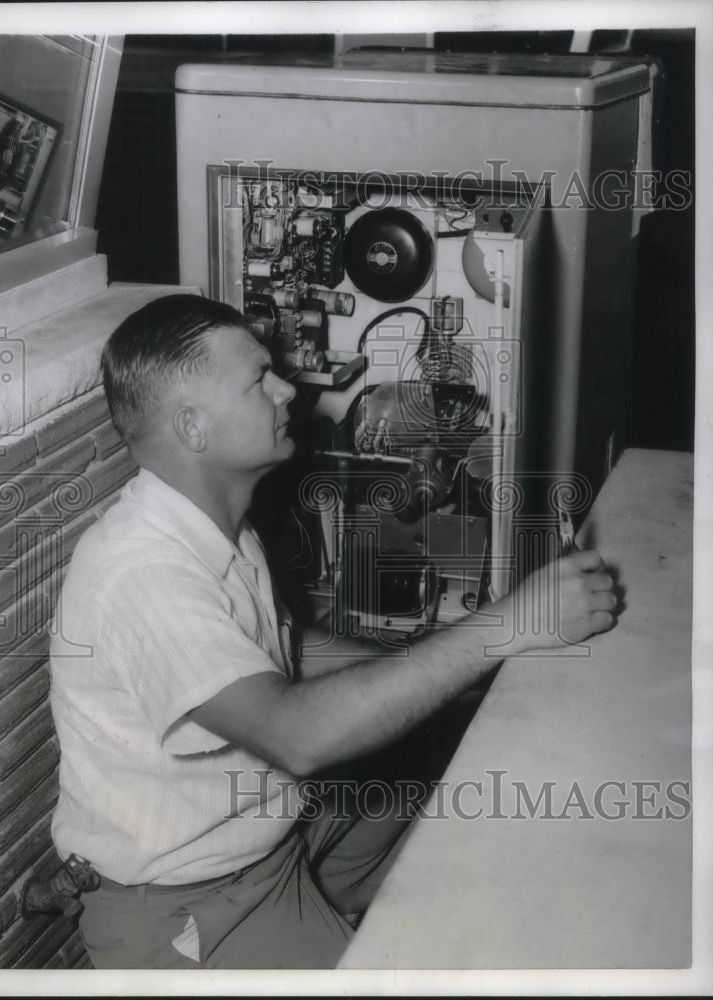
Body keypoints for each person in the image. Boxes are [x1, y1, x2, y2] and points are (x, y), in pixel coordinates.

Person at [49, 294, 617, 969]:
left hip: (277, 833)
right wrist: (505, 627)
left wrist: (464, 670)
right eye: (259, 379)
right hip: (193, 907)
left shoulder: (216, 524)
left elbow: (293, 652)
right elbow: (297, 735)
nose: (287, 388)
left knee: (456, 769)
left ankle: (352, 911)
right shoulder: (141, 573)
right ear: (194, 428)